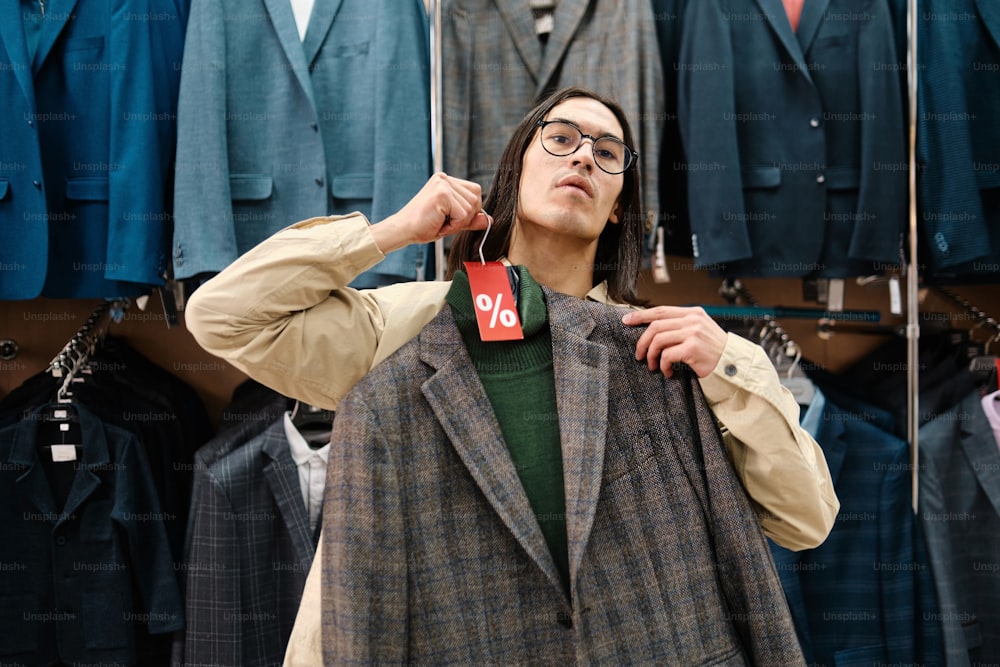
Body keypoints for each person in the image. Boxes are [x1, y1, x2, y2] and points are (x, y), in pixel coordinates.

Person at [185, 86, 839, 662]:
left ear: (619, 206)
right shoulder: (413, 327)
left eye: (608, 152)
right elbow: (223, 317)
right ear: (515, 172)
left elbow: (806, 520)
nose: (583, 156)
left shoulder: (669, 350)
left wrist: (724, 363)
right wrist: (387, 233)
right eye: (560, 139)